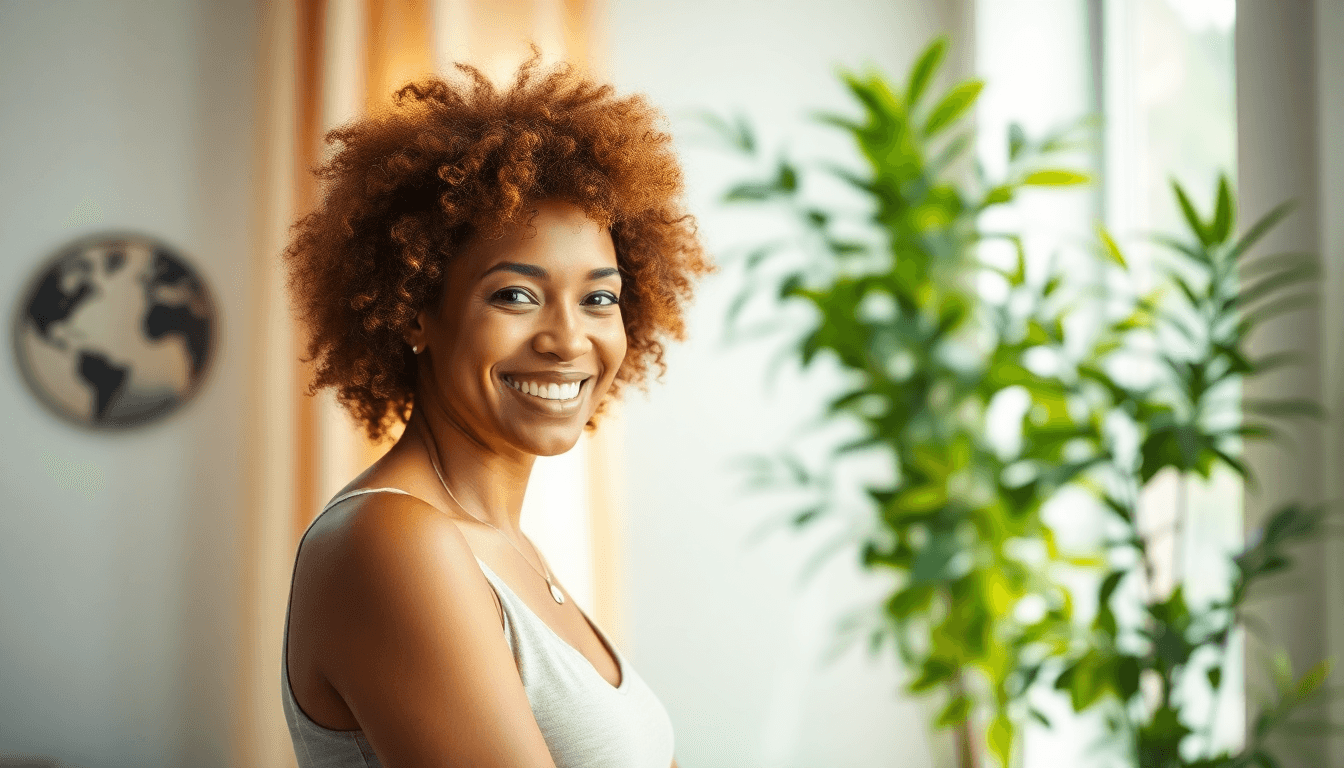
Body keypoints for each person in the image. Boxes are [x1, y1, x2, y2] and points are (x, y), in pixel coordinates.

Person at [278, 53, 713, 768]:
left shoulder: (504, 547)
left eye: (599, 297)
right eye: (516, 294)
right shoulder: (390, 542)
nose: (569, 338)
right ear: (417, 311)